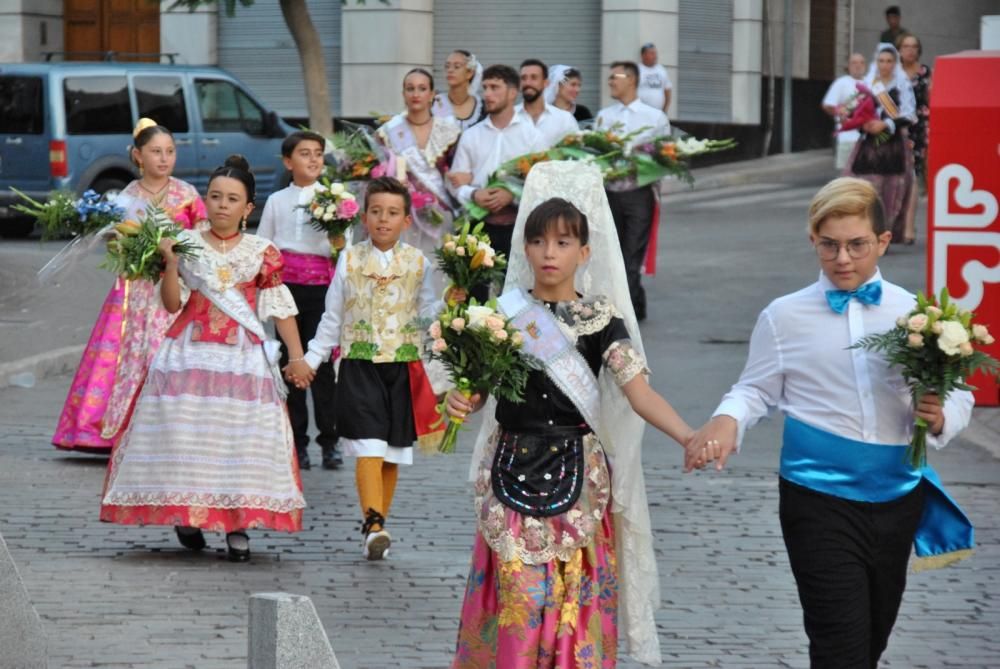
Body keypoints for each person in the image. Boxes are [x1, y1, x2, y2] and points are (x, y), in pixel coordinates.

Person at [687, 177, 974, 669]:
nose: (843, 258)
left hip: (897, 496)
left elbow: (958, 389)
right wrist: (726, 419)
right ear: (813, 241)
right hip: (816, 499)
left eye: (857, 245)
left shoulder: (917, 314)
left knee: (872, 637)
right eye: (830, 246)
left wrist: (944, 413)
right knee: (838, 642)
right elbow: (755, 388)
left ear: (883, 241)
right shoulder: (784, 316)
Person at [447, 161, 693, 668]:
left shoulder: (602, 320)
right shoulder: (502, 316)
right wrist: (459, 401)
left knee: (572, 592)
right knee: (520, 595)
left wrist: (688, 435)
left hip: (577, 472)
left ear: (584, 252)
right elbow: (477, 391)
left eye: (563, 243)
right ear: (525, 247)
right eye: (539, 242)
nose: (549, 253)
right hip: (510, 462)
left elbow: (638, 394)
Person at [100, 155, 309, 562]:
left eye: (233, 199)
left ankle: (238, 526)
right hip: (188, 354)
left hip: (242, 359)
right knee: (187, 434)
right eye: (215, 196)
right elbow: (172, 302)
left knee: (241, 441)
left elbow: (279, 308)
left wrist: (297, 357)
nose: (222, 205)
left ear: (249, 208)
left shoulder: (261, 252)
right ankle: (189, 514)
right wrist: (172, 263)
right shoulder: (184, 240)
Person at [302, 177, 450, 561]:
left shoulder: (418, 262)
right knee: (367, 444)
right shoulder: (349, 260)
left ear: (406, 221)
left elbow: (428, 310)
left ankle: (378, 523)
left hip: (402, 366)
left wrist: (453, 302)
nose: (384, 220)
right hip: (358, 365)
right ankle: (373, 526)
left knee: (392, 451)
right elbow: (332, 317)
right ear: (364, 217)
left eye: (393, 213)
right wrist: (312, 359)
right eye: (376, 212)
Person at [52, 118, 206, 453]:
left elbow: (202, 239)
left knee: (169, 352)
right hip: (134, 291)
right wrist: (119, 242)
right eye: (155, 152)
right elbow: (114, 245)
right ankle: (112, 428)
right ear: (138, 156)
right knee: (132, 351)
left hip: (174, 288)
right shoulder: (126, 196)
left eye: (169, 151)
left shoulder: (187, 194)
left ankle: (172, 431)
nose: (163, 159)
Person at [257, 130, 342, 471]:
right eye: (304, 153)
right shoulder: (277, 200)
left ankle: (330, 442)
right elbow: (264, 243)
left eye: (318, 153)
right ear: (288, 161)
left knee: (320, 367)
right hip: (286, 289)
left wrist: (337, 236)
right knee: (291, 364)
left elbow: (343, 247)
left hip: (322, 288)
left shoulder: (335, 199)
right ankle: (298, 442)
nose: (313, 160)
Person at [447, 64, 545, 264]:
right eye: (485, 88)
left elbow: (543, 184)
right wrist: (475, 194)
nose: (487, 94)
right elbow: (454, 184)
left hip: (519, 227)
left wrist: (512, 195)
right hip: (477, 225)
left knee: (515, 291)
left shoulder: (532, 136)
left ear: (512, 93)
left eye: (494, 87)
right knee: (475, 291)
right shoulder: (470, 136)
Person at [595, 61, 670, 320]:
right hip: (610, 192)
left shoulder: (654, 118)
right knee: (612, 253)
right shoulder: (604, 116)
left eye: (616, 77)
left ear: (632, 80)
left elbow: (666, 156)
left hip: (639, 192)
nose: (611, 82)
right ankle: (632, 303)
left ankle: (628, 309)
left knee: (632, 252)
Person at [376, 68, 461, 268]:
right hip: (402, 215)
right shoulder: (388, 131)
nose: (415, 94)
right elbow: (375, 172)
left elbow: (458, 169)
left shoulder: (449, 131)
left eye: (422, 89)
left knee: (438, 269)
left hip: (439, 214)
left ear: (432, 94)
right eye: (410, 88)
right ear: (403, 93)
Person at [843, 43, 916, 246]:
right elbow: (851, 110)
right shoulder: (868, 84)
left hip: (892, 144)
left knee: (890, 191)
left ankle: (882, 234)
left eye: (889, 61)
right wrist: (862, 123)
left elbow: (909, 115)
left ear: (895, 63)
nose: (885, 65)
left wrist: (886, 123)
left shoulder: (902, 85)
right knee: (861, 186)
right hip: (868, 145)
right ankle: (860, 231)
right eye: (881, 61)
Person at [898, 32, 932, 244]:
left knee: (913, 176)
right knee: (896, 178)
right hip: (895, 129)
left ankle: (909, 227)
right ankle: (895, 223)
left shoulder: (925, 72)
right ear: (899, 50)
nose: (910, 50)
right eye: (905, 46)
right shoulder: (892, 72)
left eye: (913, 46)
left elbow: (932, 97)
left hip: (919, 129)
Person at [514, 59, 579, 148]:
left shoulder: (565, 120)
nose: (528, 83)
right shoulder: (508, 117)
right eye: (524, 78)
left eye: (534, 78)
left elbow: (576, 154)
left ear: (546, 83)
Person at [821, 53, 867, 170]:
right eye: (854, 63)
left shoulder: (870, 83)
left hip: (867, 139)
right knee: (847, 178)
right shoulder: (841, 83)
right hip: (848, 138)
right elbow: (827, 105)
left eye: (861, 63)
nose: (858, 66)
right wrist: (842, 115)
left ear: (865, 66)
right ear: (848, 66)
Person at [432, 49, 486, 131]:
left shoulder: (483, 108)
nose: (450, 70)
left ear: (469, 73)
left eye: (457, 66)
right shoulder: (434, 103)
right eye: (447, 66)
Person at [637, 42, 673, 115]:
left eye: (655, 53)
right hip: (640, 114)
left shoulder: (661, 70)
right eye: (652, 53)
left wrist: (665, 110)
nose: (655, 56)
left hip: (657, 114)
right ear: (643, 55)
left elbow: (667, 90)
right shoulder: (636, 70)